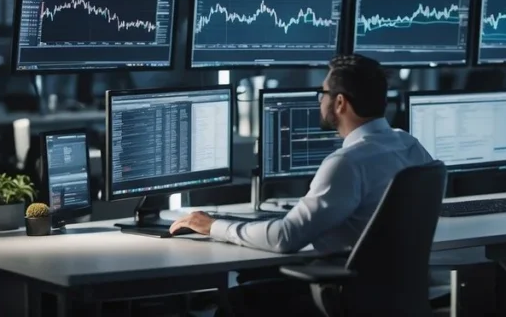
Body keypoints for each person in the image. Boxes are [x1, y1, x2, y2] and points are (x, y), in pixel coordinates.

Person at [169, 54, 433, 253]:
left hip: (347, 292)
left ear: (340, 102)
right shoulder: (411, 147)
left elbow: (285, 237)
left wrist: (213, 226)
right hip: (392, 293)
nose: (320, 100)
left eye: (323, 93)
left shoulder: (346, 163)